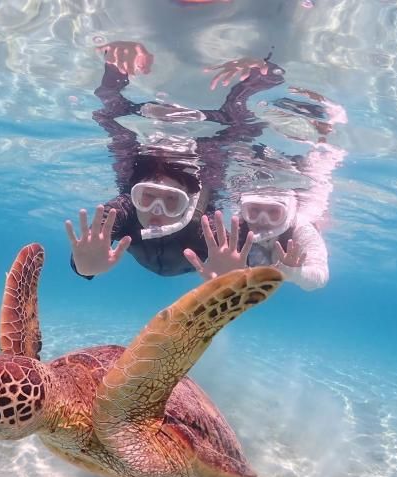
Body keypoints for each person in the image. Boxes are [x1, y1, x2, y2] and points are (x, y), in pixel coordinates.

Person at [64, 40, 285, 278]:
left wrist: (233, 277)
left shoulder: (206, 230)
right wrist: (82, 267)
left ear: (189, 201)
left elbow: (245, 256)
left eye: (172, 200)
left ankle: (265, 59)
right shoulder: (121, 212)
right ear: (134, 194)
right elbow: (88, 250)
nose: (156, 211)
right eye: (146, 196)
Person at [183, 92, 347, 291]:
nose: (261, 220)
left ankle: (320, 120)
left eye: (274, 212)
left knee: (319, 151)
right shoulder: (237, 226)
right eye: (254, 211)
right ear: (243, 209)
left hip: (294, 151)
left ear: (289, 212)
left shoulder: (300, 229)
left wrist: (294, 273)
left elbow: (319, 278)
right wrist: (223, 276)